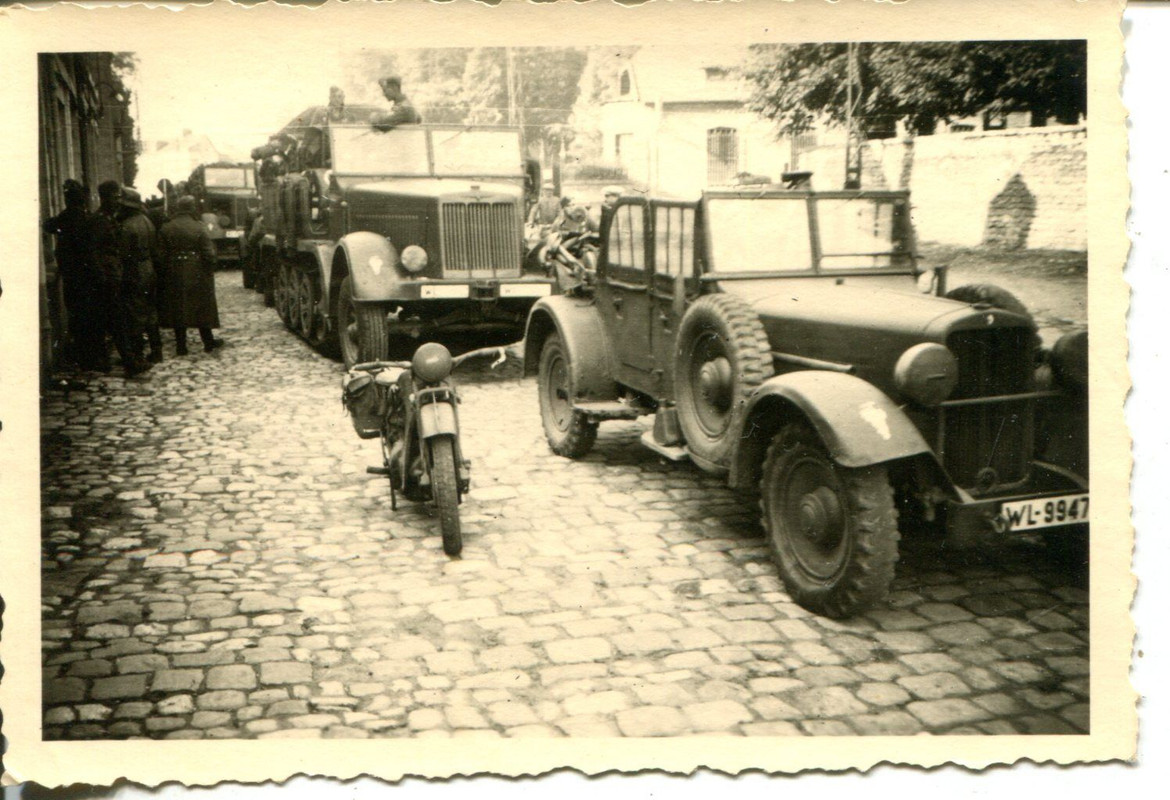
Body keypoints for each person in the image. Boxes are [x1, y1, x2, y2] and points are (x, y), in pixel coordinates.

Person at [87, 181, 146, 377]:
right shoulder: (98, 221)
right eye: (115, 197)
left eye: (119, 198)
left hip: (113, 277)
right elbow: (93, 253)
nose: (118, 202)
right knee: (115, 322)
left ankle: (107, 361)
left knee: (111, 321)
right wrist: (102, 277)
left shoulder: (109, 219)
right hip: (105, 279)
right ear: (104, 198)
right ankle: (128, 362)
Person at [157, 195, 223, 355]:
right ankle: (208, 342)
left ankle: (181, 346)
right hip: (197, 271)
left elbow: (160, 255)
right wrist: (210, 266)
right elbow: (209, 253)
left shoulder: (166, 227)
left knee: (178, 307)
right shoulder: (199, 227)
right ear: (192, 208)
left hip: (174, 271)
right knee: (202, 307)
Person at [42, 179, 92, 367]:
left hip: (73, 273)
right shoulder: (85, 216)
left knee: (77, 312)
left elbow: (48, 225)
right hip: (84, 271)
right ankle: (87, 353)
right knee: (85, 312)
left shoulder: (68, 216)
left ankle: (81, 353)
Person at [118, 187, 164, 365]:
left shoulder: (127, 226)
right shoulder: (146, 220)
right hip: (148, 268)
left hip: (134, 270)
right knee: (150, 311)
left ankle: (137, 354)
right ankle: (156, 350)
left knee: (134, 312)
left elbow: (123, 252)